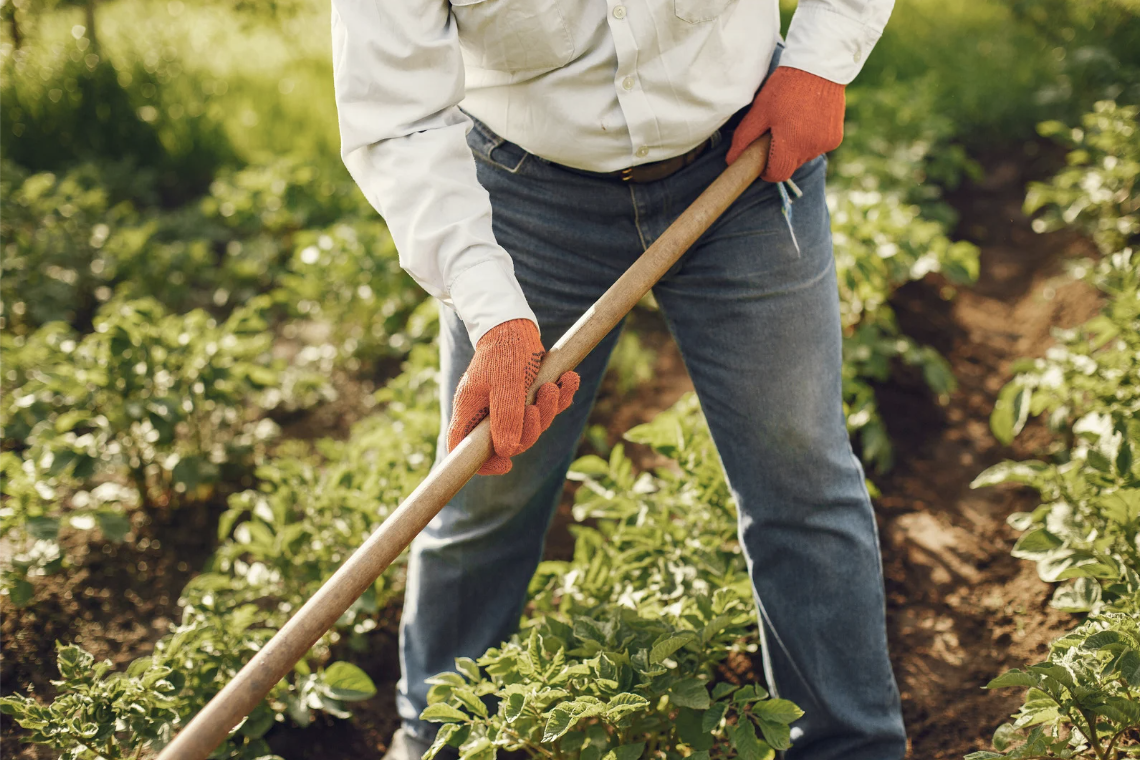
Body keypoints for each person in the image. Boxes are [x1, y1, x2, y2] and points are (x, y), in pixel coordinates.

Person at [330, 0, 906, 756]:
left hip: (742, 155)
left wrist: (820, 62)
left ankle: (850, 748)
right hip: (527, 193)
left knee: (798, 471)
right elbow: (396, 115)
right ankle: (438, 739)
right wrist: (493, 309)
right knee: (490, 481)